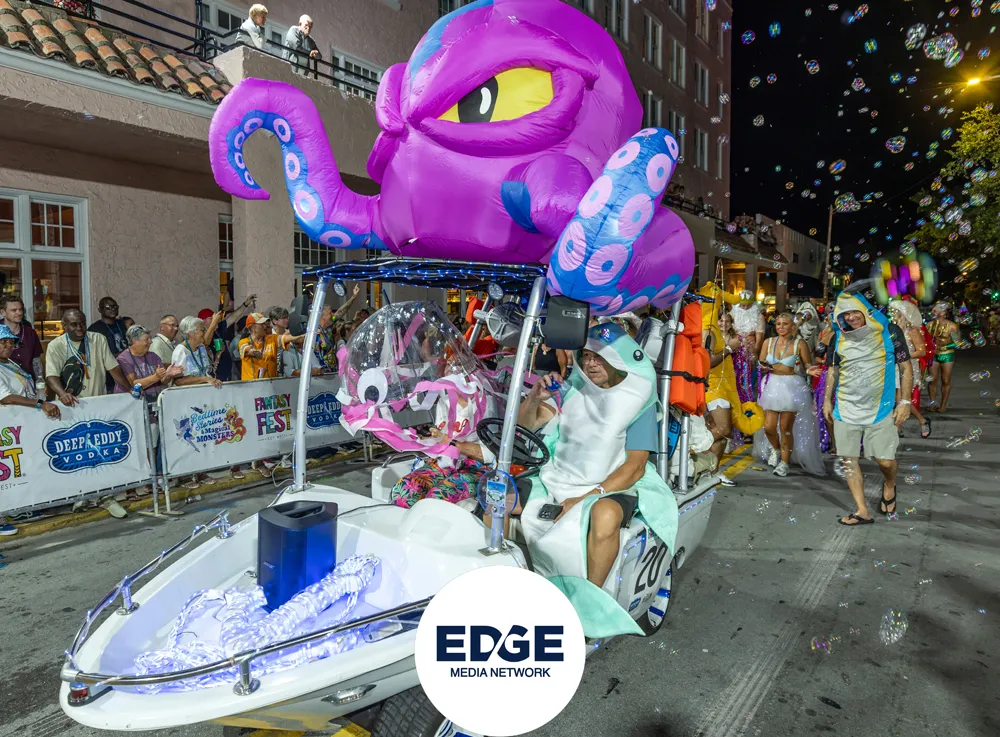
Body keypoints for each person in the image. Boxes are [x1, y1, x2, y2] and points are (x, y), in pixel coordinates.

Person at [513, 324, 676, 595]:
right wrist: (533, 399)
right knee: (497, 495)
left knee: (605, 515)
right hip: (557, 478)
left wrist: (585, 497)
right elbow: (523, 427)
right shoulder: (572, 389)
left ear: (617, 359)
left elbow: (634, 468)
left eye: (599, 357)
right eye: (586, 356)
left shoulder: (637, 400)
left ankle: (590, 599)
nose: (590, 363)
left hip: (610, 486)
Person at [814, 283, 912, 526]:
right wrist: (827, 401)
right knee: (849, 460)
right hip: (845, 408)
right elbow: (833, 371)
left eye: (854, 311)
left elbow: (905, 367)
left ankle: (889, 483)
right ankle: (861, 510)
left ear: (867, 310)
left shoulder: (889, 332)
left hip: (881, 408)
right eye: (844, 313)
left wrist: (905, 401)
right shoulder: (838, 336)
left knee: (885, 461)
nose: (849, 317)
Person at [0, 324, 60, 536]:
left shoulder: (10, 364)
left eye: (11, 342)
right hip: (6, 428)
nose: (8, 345)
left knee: (19, 470)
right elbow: (6, 398)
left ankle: (20, 508)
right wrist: (39, 404)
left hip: (20, 427)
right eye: (3, 342)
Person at [754, 313, 825, 477]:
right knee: (769, 427)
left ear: (792, 326)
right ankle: (776, 449)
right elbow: (761, 361)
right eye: (778, 324)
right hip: (771, 385)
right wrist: (762, 366)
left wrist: (810, 370)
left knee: (786, 428)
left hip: (791, 387)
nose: (781, 327)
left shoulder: (799, 343)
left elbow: (807, 365)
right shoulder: (768, 342)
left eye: (785, 324)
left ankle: (784, 463)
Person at [116, 325, 183, 496]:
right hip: (131, 409)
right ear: (134, 341)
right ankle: (131, 486)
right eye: (146, 340)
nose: (150, 342)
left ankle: (150, 480)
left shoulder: (153, 356)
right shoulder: (124, 358)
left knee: (151, 444)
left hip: (152, 406)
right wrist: (156, 376)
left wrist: (169, 375)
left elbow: (162, 381)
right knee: (133, 446)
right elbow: (133, 383)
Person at [172, 316, 225, 489]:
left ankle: (200, 471)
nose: (204, 332)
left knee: (201, 435)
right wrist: (204, 379)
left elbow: (205, 370)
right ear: (191, 333)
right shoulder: (181, 351)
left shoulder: (201, 348)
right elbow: (179, 380)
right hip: (185, 402)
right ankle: (184, 475)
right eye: (202, 329)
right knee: (187, 438)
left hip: (201, 401)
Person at [45, 309, 130, 403]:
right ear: (64, 326)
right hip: (71, 402)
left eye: (82, 323)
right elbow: (52, 376)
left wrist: (130, 388)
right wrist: (63, 394)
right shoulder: (55, 346)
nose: (79, 328)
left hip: (97, 400)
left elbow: (113, 368)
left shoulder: (98, 339)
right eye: (74, 324)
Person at [889, 299, 931, 439]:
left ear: (903, 314)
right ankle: (899, 427)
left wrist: (903, 356)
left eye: (895, 311)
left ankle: (921, 421)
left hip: (908, 367)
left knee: (902, 398)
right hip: (895, 366)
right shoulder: (894, 330)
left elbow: (922, 351)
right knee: (898, 398)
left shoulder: (912, 331)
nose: (893, 314)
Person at [239, 312, 304, 381]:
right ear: (253, 328)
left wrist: (304, 334)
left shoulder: (272, 339)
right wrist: (253, 352)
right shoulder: (243, 341)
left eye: (264, 324)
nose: (265, 327)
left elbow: (287, 338)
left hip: (271, 384)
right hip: (251, 385)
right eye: (261, 324)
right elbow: (246, 348)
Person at [731, 290, 765, 408]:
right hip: (734, 351)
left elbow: (759, 339)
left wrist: (754, 355)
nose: (745, 308)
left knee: (747, 380)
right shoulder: (732, 314)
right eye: (743, 305)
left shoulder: (759, 317)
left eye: (748, 305)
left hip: (749, 352)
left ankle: (747, 405)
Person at [88, 296, 130, 392]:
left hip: (126, 368)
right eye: (108, 308)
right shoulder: (95, 329)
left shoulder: (121, 323)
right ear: (100, 310)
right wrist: (118, 355)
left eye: (115, 307)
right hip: (108, 374)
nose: (113, 309)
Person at [316, 285, 361, 371]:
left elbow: (341, 311)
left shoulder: (329, 327)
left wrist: (353, 297)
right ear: (322, 316)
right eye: (330, 313)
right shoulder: (314, 330)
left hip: (332, 370)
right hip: (320, 372)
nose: (333, 315)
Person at [926, 302, 961, 413]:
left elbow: (958, 343)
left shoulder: (952, 326)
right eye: (933, 310)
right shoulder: (929, 325)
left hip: (947, 354)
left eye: (935, 310)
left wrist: (945, 346)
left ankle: (943, 405)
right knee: (932, 380)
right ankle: (932, 404)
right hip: (934, 354)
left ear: (943, 312)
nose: (933, 312)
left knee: (946, 380)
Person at [1, 295, 42, 381]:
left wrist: (40, 380)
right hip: (5, 383)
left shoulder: (30, 333)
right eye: (14, 310)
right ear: (3, 312)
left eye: (20, 309)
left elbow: (36, 361)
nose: (19, 313)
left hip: (29, 382)